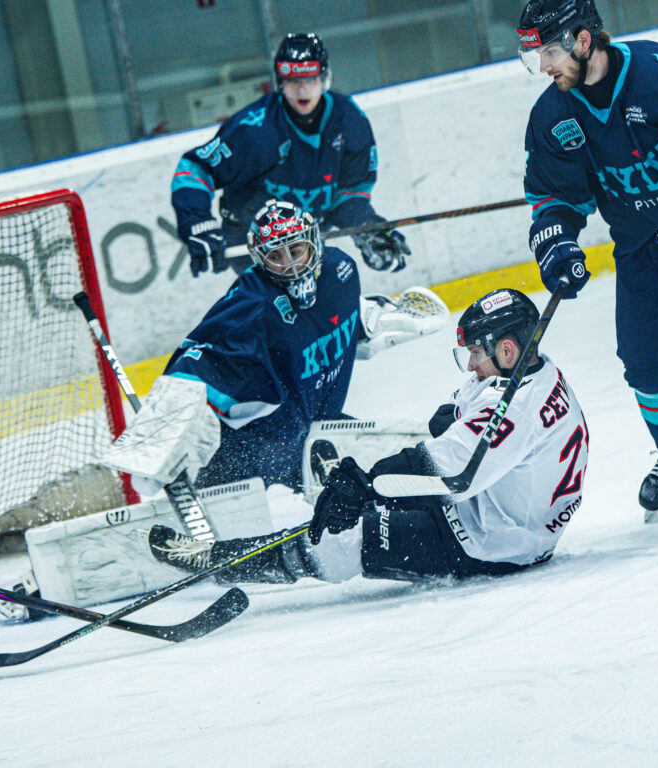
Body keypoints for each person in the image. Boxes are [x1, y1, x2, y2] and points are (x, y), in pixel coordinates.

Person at [146, 288, 589, 587]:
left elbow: (451, 474)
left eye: (476, 352)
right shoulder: (537, 372)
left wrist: (365, 486)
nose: (471, 364)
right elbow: (463, 425)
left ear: (506, 349)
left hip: (493, 543)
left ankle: (218, 561)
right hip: (502, 512)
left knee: (340, 540)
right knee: (381, 482)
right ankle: (288, 528)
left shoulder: (512, 409)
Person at [515, 0, 658, 536]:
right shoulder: (553, 115)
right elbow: (554, 195)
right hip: (641, 238)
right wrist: (555, 239)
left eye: (548, 53)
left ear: (581, 40)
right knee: (642, 360)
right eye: (534, 58)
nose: (543, 67)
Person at [101, 200, 444, 495]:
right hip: (257, 449)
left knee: (394, 481)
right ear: (258, 259)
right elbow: (198, 360)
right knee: (248, 539)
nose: (290, 265)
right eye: (276, 256)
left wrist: (374, 323)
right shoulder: (252, 303)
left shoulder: (341, 271)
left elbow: (336, 318)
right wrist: (157, 441)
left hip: (319, 432)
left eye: (295, 251)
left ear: (314, 243)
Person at [171, 32, 411, 278]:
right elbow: (194, 169)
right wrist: (198, 224)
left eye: (310, 79)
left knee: (331, 290)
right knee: (295, 296)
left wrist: (367, 227)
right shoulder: (256, 129)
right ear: (280, 83)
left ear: (325, 79)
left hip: (306, 237)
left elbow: (347, 197)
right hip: (253, 239)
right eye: (293, 81)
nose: (302, 89)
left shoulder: (348, 120)